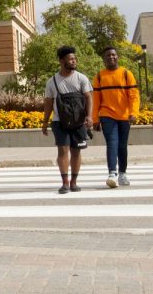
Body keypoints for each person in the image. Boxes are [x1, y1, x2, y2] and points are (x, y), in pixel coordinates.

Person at [41, 45, 93, 194]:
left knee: (76, 151)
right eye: (71, 59)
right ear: (61, 61)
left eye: (75, 59)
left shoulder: (81, 78)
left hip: (79, 122)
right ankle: (64, 183)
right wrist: (45, 123)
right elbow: (48, 103)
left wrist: (90, 116)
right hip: (59, 121)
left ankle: (74, 182)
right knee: (63, 150)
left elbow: (89, 97)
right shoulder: (52, 82)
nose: (74, 61)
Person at [92, 46, 140, 188]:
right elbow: (96, 100)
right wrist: (95, 119)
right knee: (112, 143)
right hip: (107, 115)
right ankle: (112, 173)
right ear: (104, 59)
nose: (111, 57)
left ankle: (123, 173)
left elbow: (134, 96)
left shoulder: (126, 74)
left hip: (124, 116)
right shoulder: (99, 76)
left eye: (113, 55)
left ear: (117, 56)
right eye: (108, 55)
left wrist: (133, 112)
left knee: (122, 145)